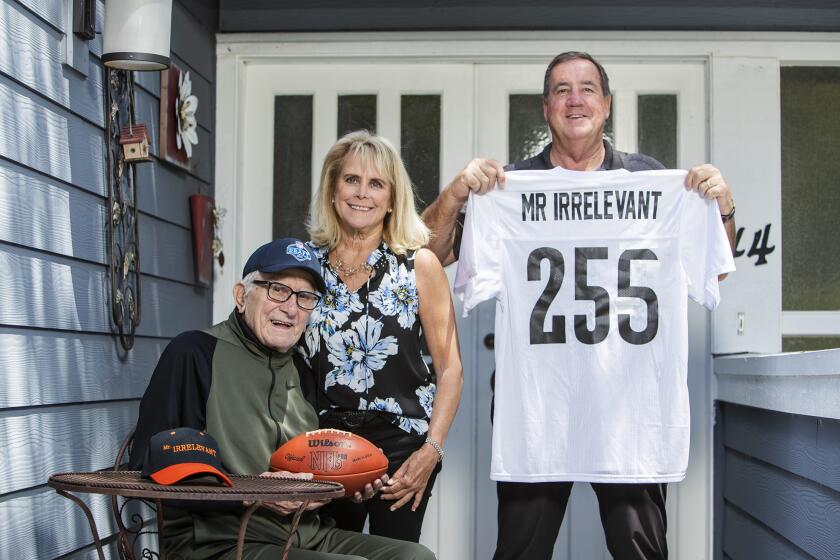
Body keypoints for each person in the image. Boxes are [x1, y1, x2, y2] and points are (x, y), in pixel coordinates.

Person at [421, 52, 737, 560]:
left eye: (587, 88)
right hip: (538, 408)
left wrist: (720, 204)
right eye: (562, 90)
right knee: (522, 550)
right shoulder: (511, 188)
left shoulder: (650, 182)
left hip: (629, 407)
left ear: (606, 105)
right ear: (546, 108)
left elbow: (715, 269)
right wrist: (458, 194)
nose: (575, 99)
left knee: (641, 550)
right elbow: (429, 259)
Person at [128, 237, 435, 560]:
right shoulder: (195, 353)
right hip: (222, 541)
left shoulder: (303, 369)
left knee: (415, 557)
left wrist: (349, 486)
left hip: (306, 533)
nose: (290, 308)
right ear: (241, 296)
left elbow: (309, 468)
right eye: (277, 290)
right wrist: (253, 493)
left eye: (305, 297)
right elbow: (148, 464)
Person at [298, 130, 463, 543]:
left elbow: (450, 370)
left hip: (403, 444)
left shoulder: (420, 265)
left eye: (376, 184)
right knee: (326, 554)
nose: (362, 193)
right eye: (351, 180)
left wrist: (432, 450)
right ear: (333, 190)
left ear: (392, 199)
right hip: (324, 443)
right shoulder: (304, 265)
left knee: (396, 553)